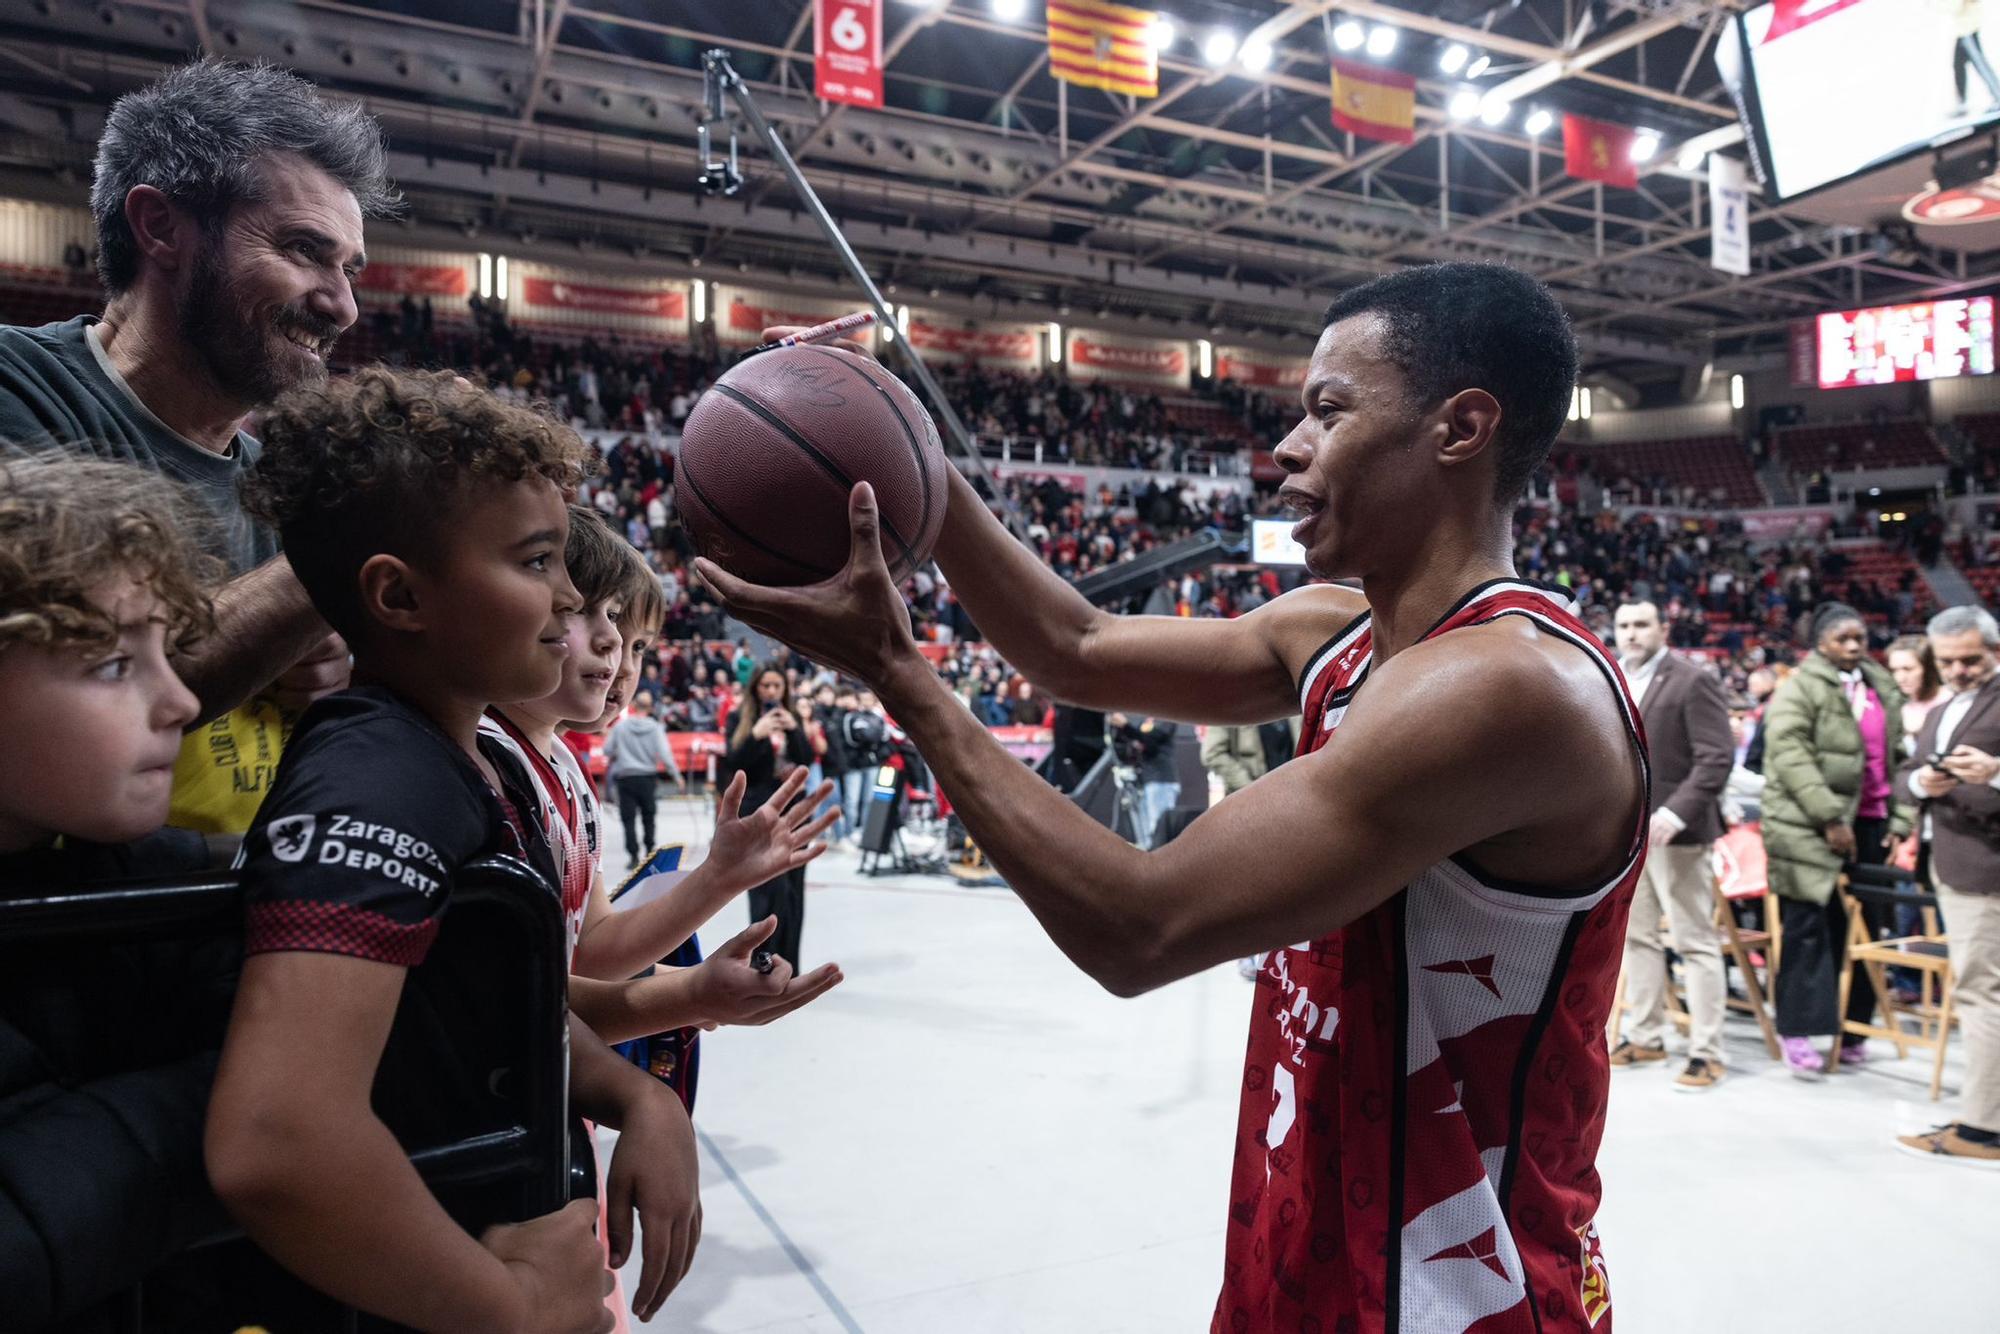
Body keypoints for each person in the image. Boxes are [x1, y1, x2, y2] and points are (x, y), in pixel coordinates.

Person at [703, 263, 1646, 1330]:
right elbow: (1074, 644)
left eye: (1328, 412)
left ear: (1460, 428)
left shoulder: (1505, 687)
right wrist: (902, 435)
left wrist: (898, 673)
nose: (1287, 448)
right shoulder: (1334, 630)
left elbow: (1136, 925)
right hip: (1302, 1241)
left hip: (1455, 1289)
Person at [204, 368, 694, 1330]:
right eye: (536, 562)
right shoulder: (378, 774)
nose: (567, 601)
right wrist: (508, 1306)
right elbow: (277, 1139)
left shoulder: (457, 759)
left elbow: (514, 1016)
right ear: (399, 597)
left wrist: (641, 1099)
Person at [0, 58, 400, 832]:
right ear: (160, 227)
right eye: (302, 250)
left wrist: (321, 664)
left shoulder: (279, 491)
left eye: (349, 269)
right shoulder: (18, 391)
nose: (343, 306)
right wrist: (346, 548)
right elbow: (93, 680)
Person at [0, 454, 230, 1328]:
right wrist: (258, 1104)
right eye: (111, 664)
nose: (180, 700)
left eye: (166, 652)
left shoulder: (165, 879)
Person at [1762, 602, 1911, 1080]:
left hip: (1871, 822)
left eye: (1859, 638)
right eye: (1842, 639)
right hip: (1808, 826)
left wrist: (1901, 820)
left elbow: (1898, 757)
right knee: (1808, 929)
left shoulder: (1879, 686)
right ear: (1820, 643)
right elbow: (1788, 752)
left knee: (1869, 930)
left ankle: (1854, 1030)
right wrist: (1829, 816)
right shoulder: (1799, 688)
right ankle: (1799, 1032)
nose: (1853, 646)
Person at [1609, 601, 1736, 1090]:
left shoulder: (1691, 678)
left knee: (1694, 941)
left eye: (1642, 624)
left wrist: (1675, 812)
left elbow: (1716, 758)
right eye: (1624, 625)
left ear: (1664, 628)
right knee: (1638, 938)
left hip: (1679, 834)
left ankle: (1707, 1050)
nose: (1632, 633)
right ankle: (1646, 1034)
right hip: (1629, 832)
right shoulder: (1615, 674)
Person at [1896, 605, 2000, 1166]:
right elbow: (1904, 775)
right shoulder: (1943, 709)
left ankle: (1985, 1127)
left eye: (1971, 659)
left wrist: (1996, 773)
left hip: (1988, 866)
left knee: (1981, 993)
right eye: (1949, 661)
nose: (1959, 669)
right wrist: (1920, 779)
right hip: (1951, 861)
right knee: (1979, 991)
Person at [720, 666, 815, 969]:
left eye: (777, 686)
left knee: (793, 891)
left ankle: (790, 966)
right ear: (756, 688)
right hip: (759, 813)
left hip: (793, 814)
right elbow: (735, 763)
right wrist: (756, 735)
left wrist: (795, 730)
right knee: (764, 891)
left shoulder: (793, 717)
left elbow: (807, 758)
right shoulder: (740, 719)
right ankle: (761, 962)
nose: (772, 691)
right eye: (766, 686)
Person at [605, 690, 684, 867]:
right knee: (649, 816)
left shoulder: (620, 727)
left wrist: (621, 752)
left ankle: (633, 856)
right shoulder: (655, 728)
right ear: (650, 708)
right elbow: (665, 754)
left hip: (625, 777)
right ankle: (649, 853)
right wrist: (677, 776)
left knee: (628, 818)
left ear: (634, 705)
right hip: (647, 778)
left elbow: (607, 750)